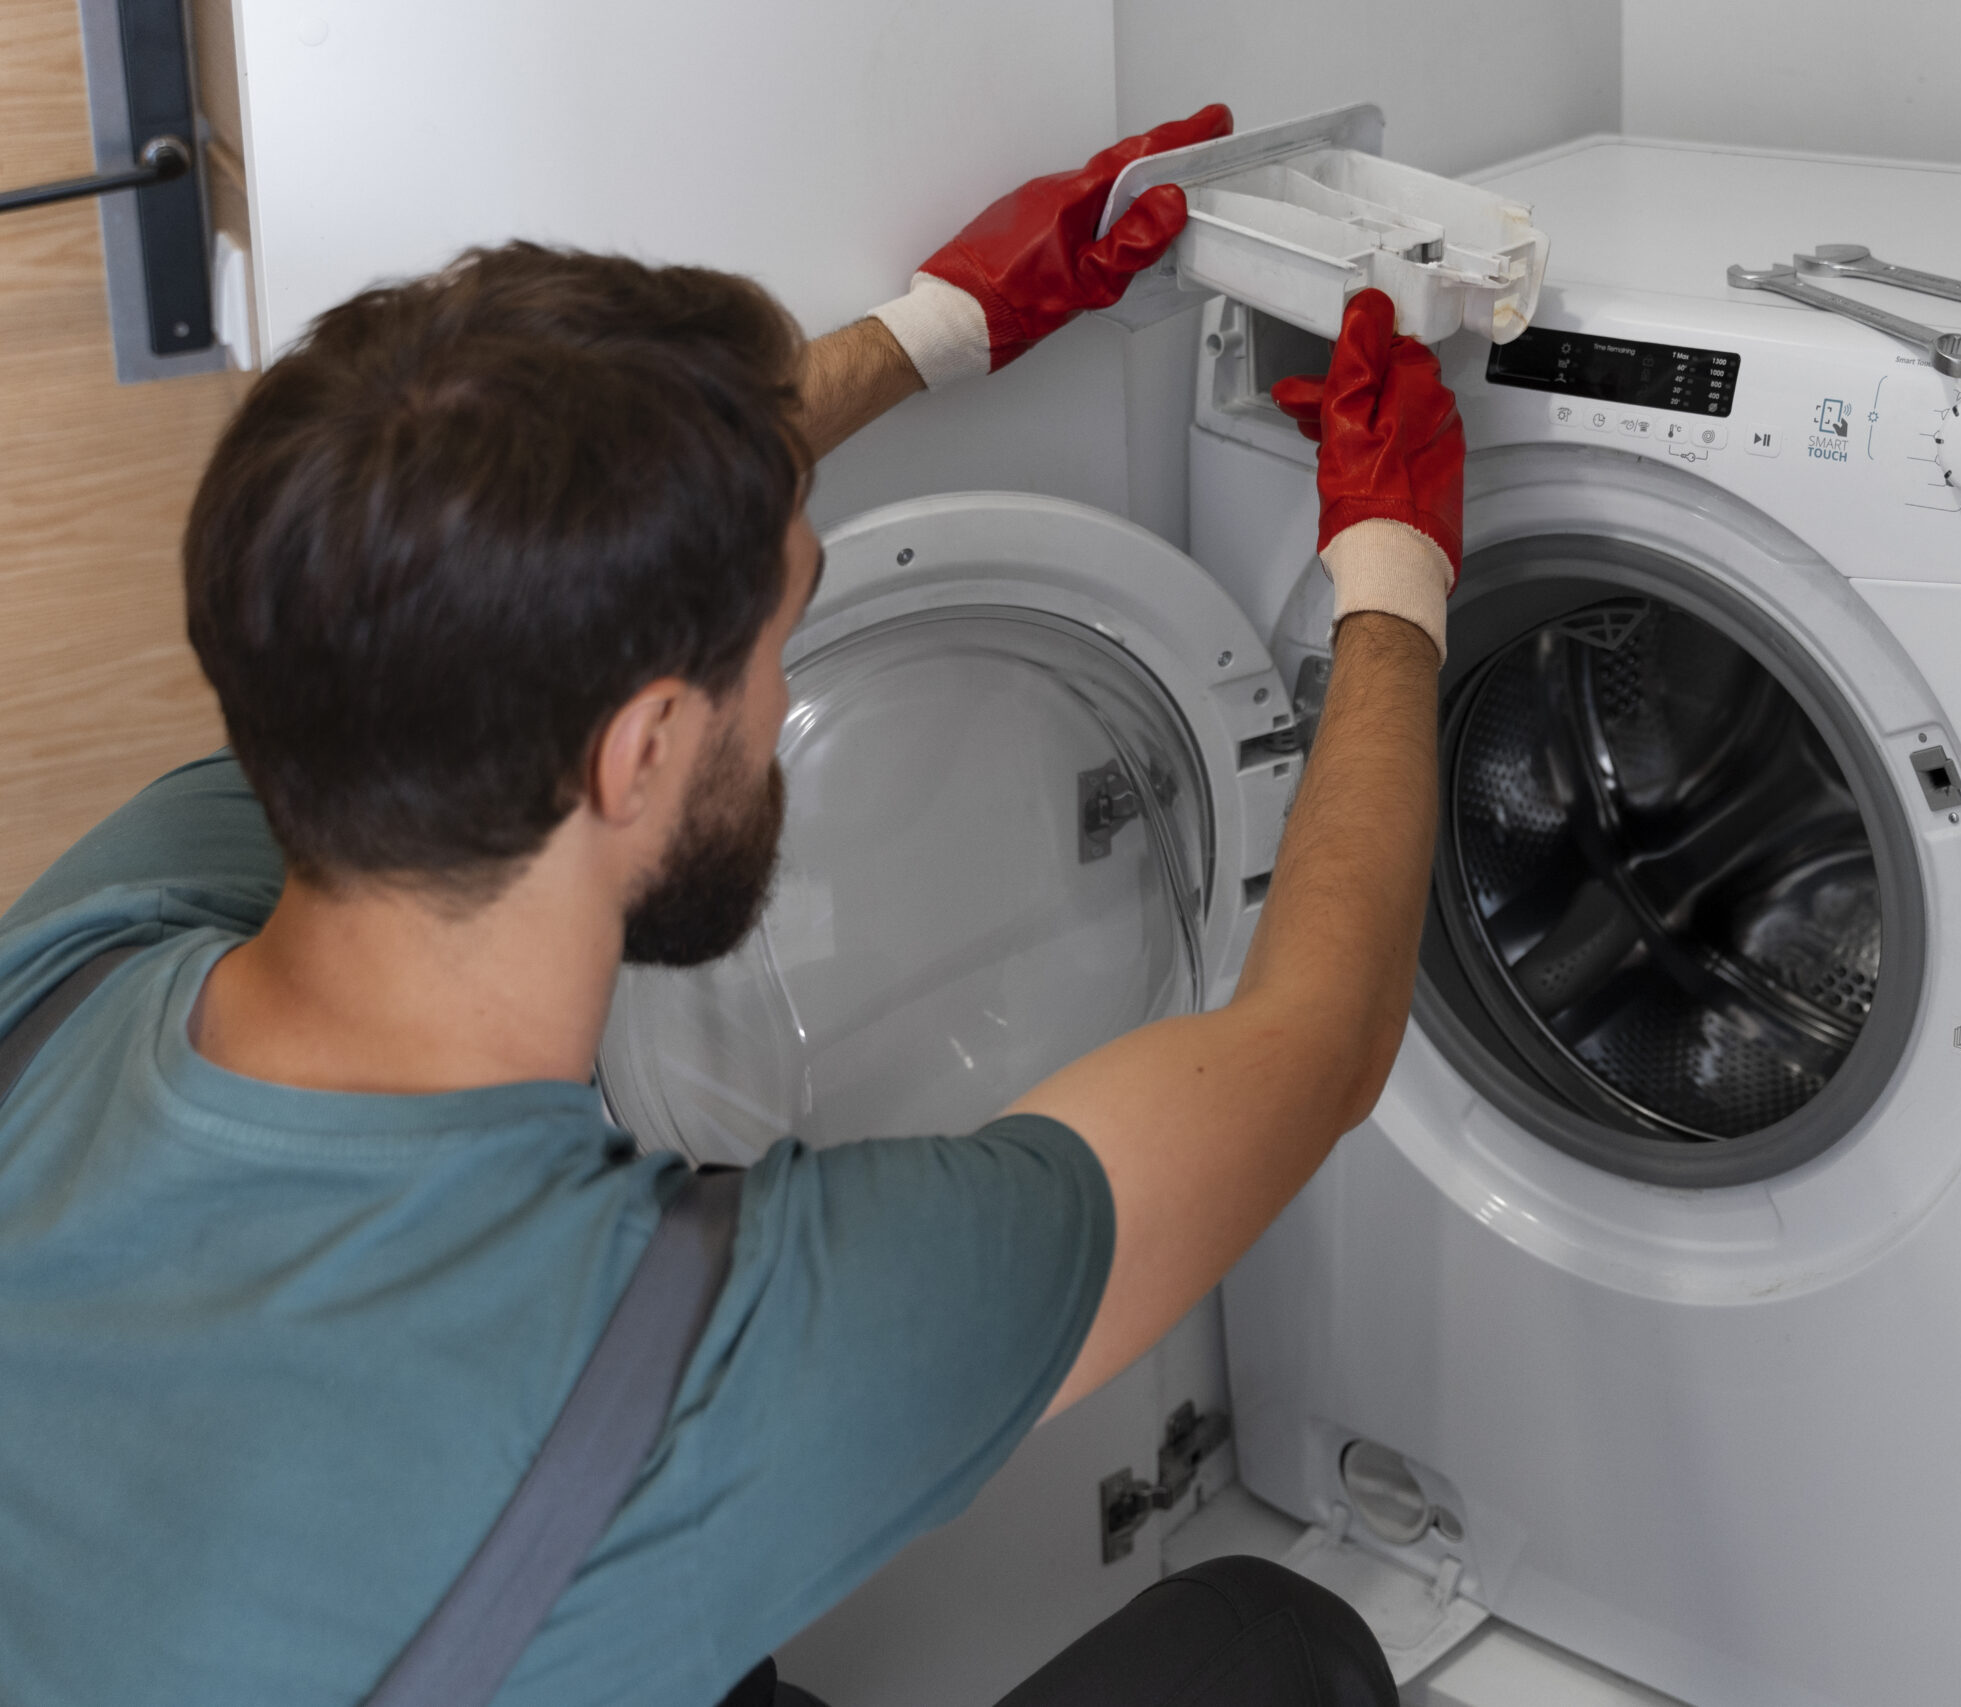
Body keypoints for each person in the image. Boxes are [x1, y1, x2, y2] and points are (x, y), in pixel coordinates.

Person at [0, 105, 1465, 1707]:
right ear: (638, 751)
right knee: (1275, 1650)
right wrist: (1395, 576)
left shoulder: (93, 951)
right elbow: (1318, 1037)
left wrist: (936, 331)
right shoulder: (692, 1356)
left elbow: (465, 578)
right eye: (781, 638)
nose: (780, 706)